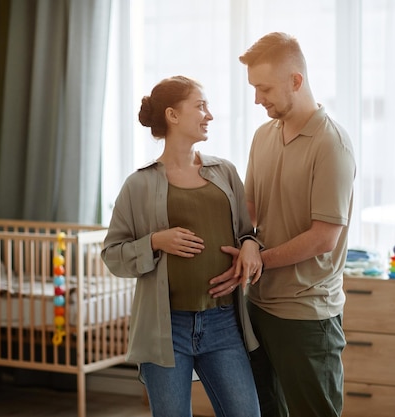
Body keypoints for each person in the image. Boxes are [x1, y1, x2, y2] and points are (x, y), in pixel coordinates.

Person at [101, 75, 263, 417]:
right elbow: (112, 255)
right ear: (173, 115)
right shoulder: (139, 184)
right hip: (165, 328)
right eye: (201, 106)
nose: (210, 115)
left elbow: (247, 233)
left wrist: (251, 245)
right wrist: (156, 241)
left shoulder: (226, 173)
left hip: (223, 322)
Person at [238, 32, 356, 417]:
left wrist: (260, 259)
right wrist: (246, 242)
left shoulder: (330, 143)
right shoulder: (262, 136)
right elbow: (251, 211)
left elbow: (324, 238)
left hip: (307, 314)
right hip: (258, 305)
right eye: (254, 88)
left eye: (264, 88)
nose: (258, 99)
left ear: (296, 81)